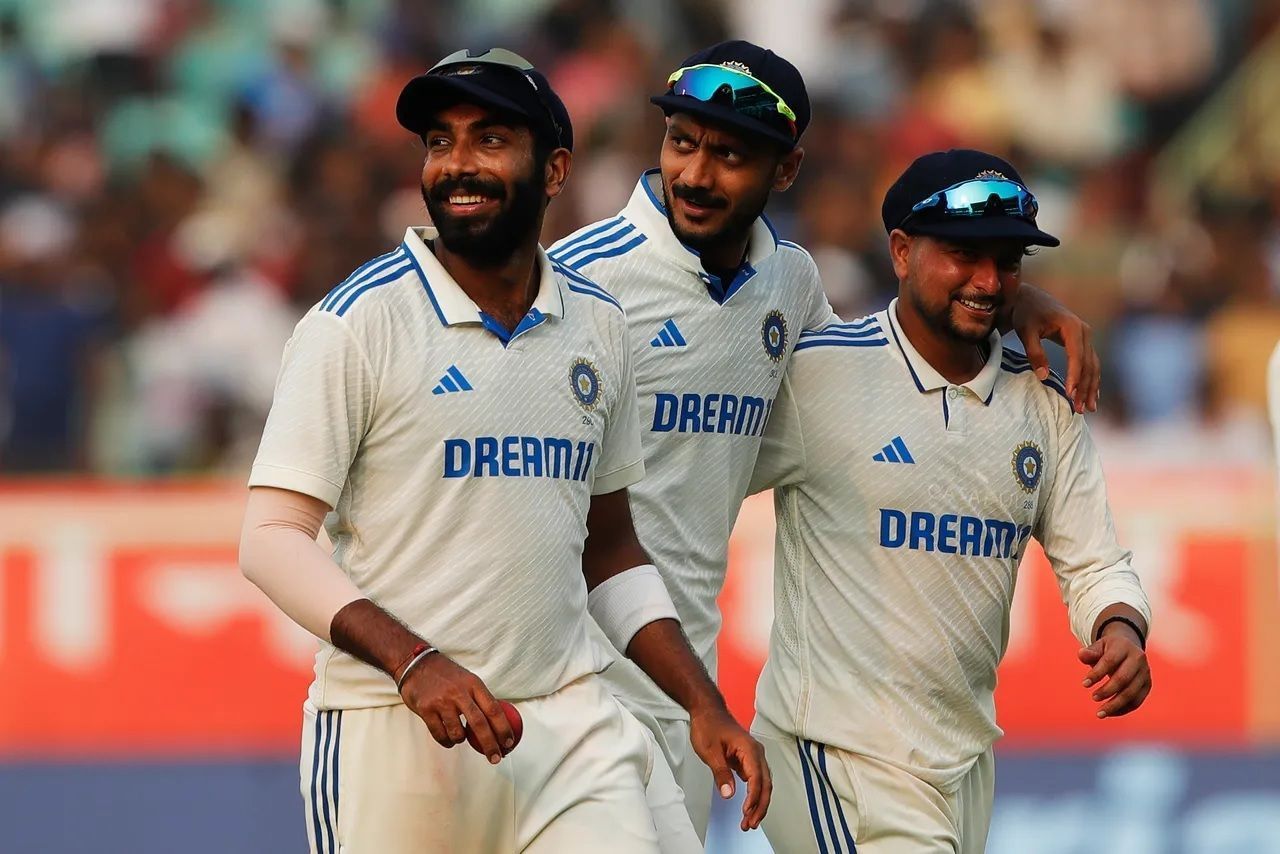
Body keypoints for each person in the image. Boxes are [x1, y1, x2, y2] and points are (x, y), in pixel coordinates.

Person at [548, 40, 1103, 841]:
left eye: (730, 155)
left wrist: (1004, 296)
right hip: (569, 672)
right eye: (682, 143)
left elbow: (879, 377)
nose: (696, 175)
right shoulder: (577, 281)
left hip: (680, 681)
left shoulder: (791, 284)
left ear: (785, 172)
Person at [238, 47, 767, 854]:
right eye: (439, 142)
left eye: (489, 140)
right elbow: (270, 541)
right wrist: (415, 664)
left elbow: (612, 551)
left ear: (554, 170)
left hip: (567, 722)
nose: (457, 165)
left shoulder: (596, 323)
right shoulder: (356, 323)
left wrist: (702, 701)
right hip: (394, 727)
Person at [748, 148, 1153, 853]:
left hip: (963, 764)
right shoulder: (819, 373)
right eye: (964, 254)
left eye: (1009, 261)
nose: (989, 280)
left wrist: (1121, 627)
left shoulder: (1044, 401)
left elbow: (1094, 562)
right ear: (901, 252)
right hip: (829, 753)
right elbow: (692, 481)